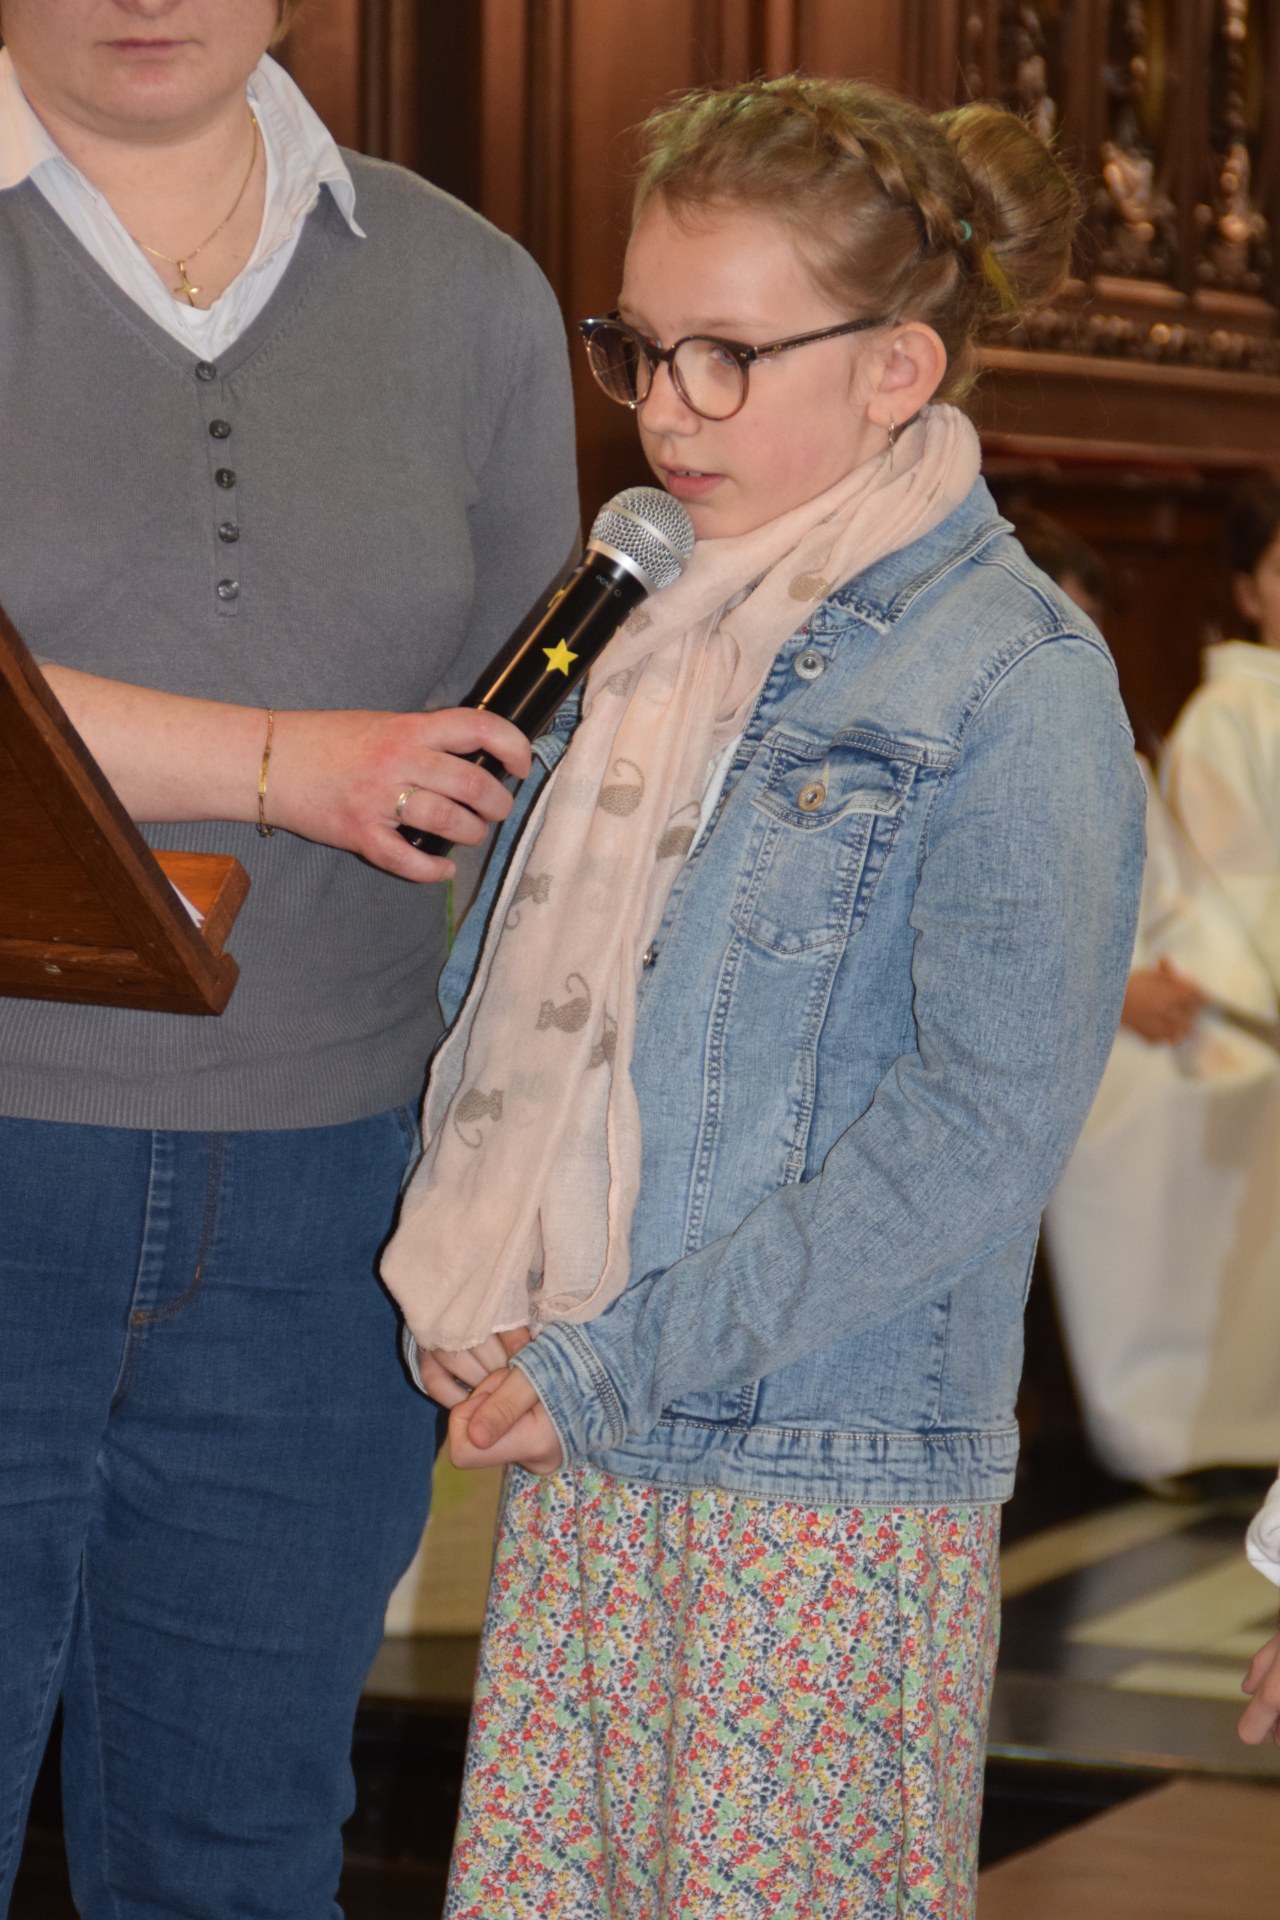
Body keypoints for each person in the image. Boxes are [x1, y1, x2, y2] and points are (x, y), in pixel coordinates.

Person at [382, 75, 1143, 1919]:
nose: (660, 411)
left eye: (725, 355)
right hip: (594, 1424)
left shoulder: (1016, 679)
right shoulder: (641, 617)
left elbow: (978, 1136)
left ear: (899, 368)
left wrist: (622, 1362)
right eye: (638, 350)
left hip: (815, 1474)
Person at [0, 3, 577, 1916]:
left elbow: (542, 754)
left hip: (335, 1192)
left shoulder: (466, 284)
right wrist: (284, 764)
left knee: (244, 1846)